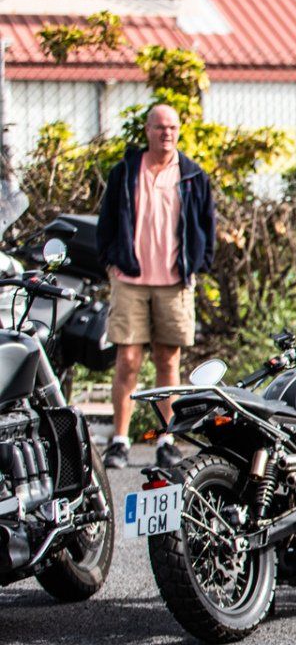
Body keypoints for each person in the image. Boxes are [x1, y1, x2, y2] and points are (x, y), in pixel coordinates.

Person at [96, 104, 217, 470]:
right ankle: (120, 441)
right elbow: (106, 222)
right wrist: (111, 262)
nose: (167, 133)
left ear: (179, 132)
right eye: (160, 127)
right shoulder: (126, 172)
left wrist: (198, 266)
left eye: (173, 127)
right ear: (147, 130)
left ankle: (166, 438)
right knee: (127, 361)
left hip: (174, 281)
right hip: (131, 280)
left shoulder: (193, 176)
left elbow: (207, 226)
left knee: (169, 362)